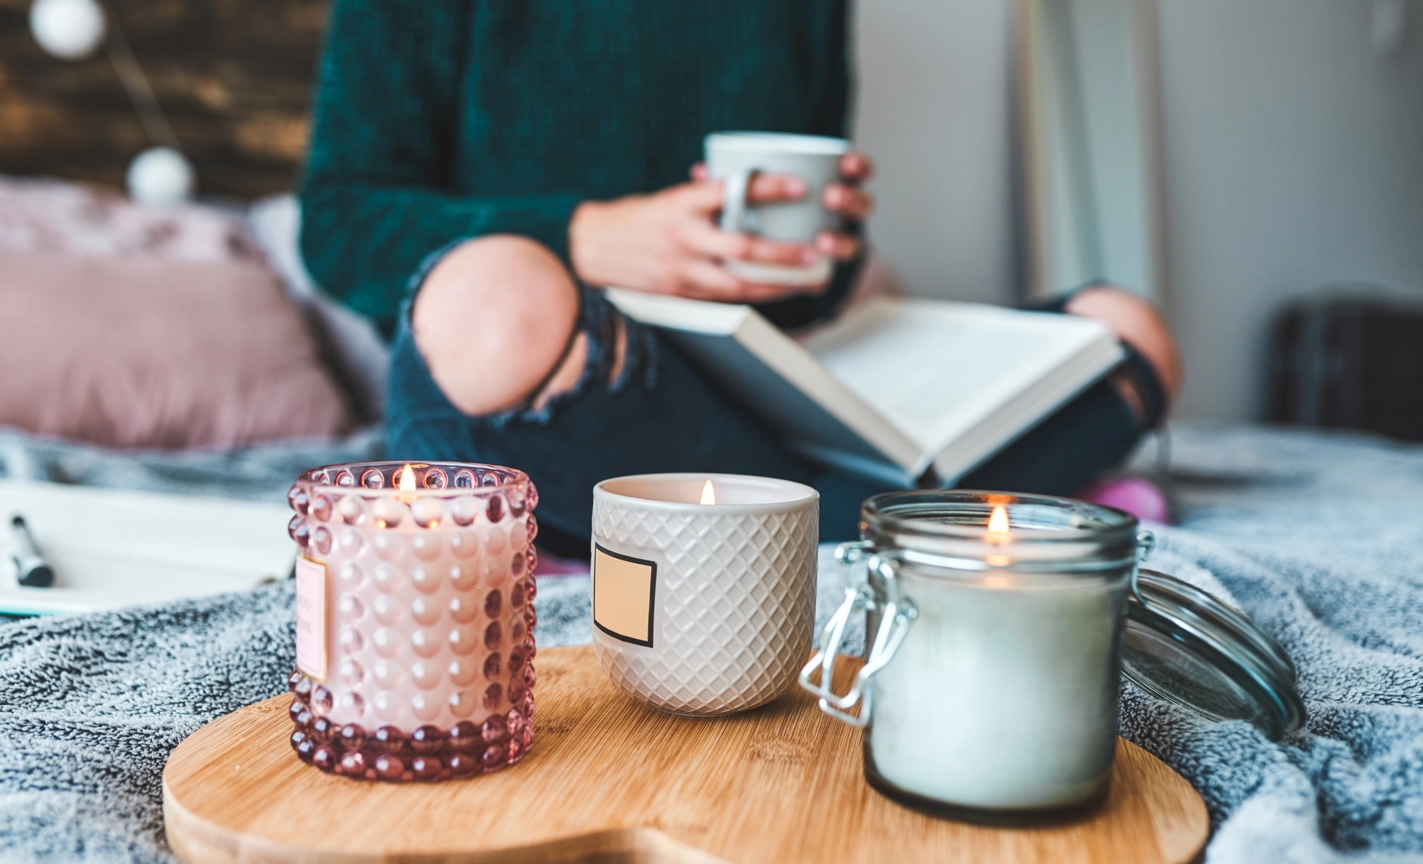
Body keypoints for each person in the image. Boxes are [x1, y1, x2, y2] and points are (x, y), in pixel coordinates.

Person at [299, 0, 1181, 552]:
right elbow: (337, 224)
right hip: (562, 383)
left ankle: (792, 521)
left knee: (1125, 330)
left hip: (740, 386)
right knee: (494, 296)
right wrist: (588, 238)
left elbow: (811, 287)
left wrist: (820, 254)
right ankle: (912, 517)